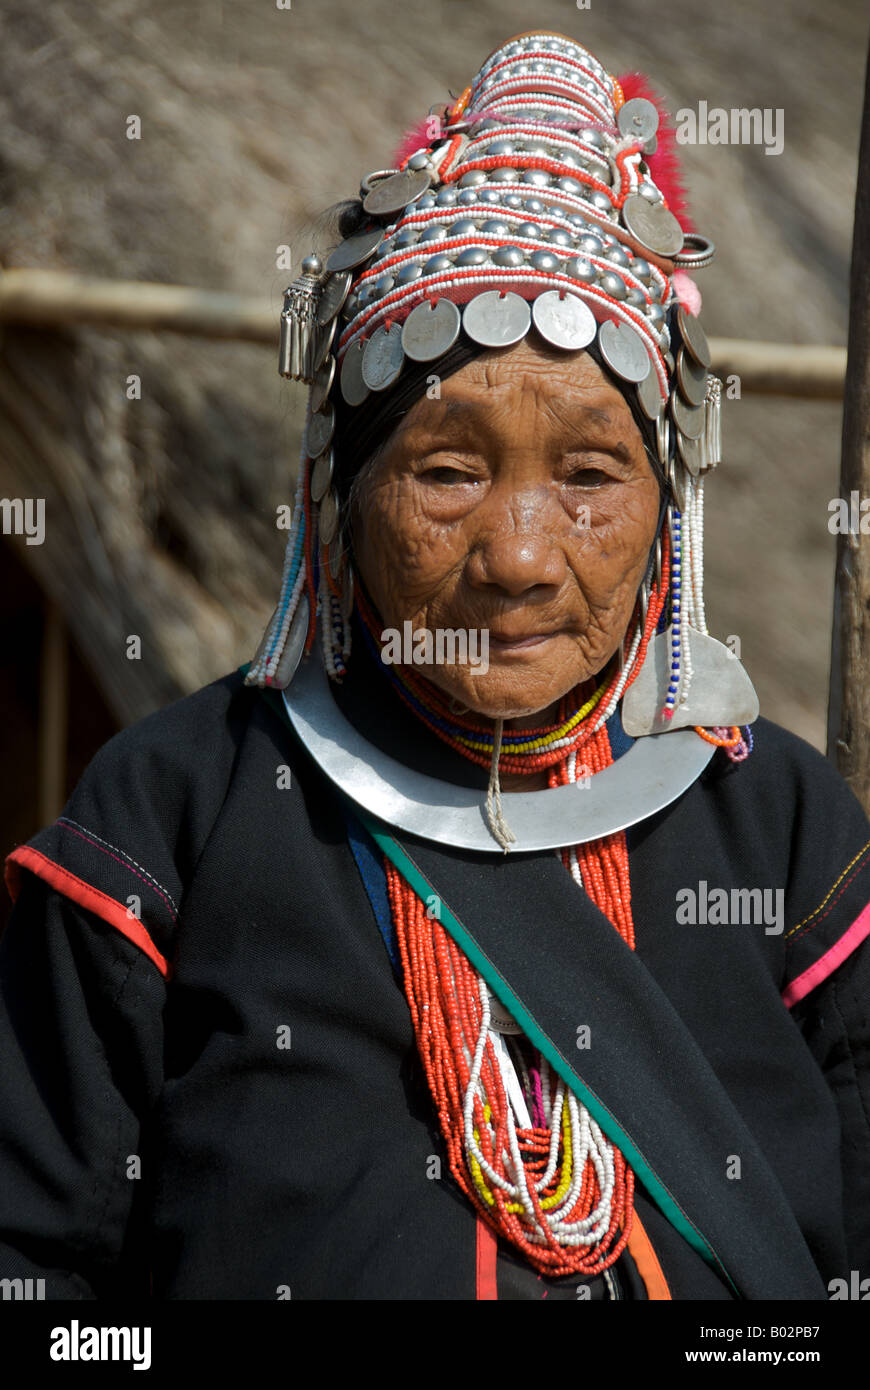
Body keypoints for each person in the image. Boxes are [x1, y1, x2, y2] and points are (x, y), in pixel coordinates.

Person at [2, 30, 869, 1302]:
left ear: (668, 514)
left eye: (588, 475)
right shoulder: (170, 821)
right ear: (340, 499)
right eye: (449, 471)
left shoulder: (786, 842)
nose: (516, 558)